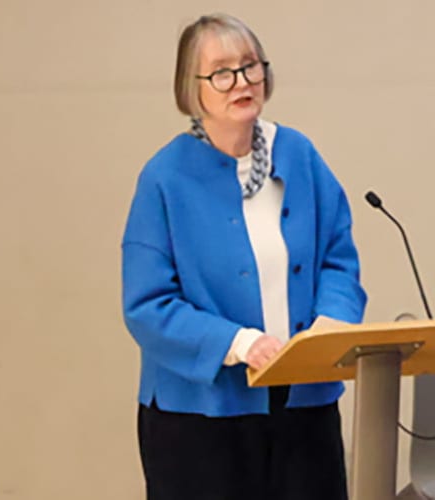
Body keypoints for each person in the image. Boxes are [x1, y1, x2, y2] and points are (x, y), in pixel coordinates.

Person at [121, 14, 365, 500]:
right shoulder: (164, 177)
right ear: (192, 88)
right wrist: (240, 342)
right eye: (221, 72)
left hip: (302, 400)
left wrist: (332, 325)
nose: (241, 82)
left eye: (251, 66)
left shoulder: (298, 154)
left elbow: (338, 255)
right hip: (201, 416)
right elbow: (148, 306)